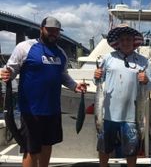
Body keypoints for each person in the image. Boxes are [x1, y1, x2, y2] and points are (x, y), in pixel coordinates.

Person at [0, 16, 87, 167]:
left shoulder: (61, 53)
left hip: (53, 109)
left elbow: (62, 75)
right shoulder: (25, 47)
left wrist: (74, 86)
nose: (53, 33)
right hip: (31, 110)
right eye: (50, 30)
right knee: (31, 150)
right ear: (41, 29)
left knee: (47, 145)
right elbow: (11, 70)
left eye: (56, 31)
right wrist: (6, 73)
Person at [94, 24, 151, 167]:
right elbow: (98, 82)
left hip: (132, 116)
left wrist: (146, 80)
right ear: (118, 43)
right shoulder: (107, 58)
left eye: (128, 39)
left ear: (134, 41)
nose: (126, 42)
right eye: (123, 40)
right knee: (104, 148)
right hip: (108, 115)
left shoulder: (143, 61)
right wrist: (96, 76)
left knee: (131, 151)